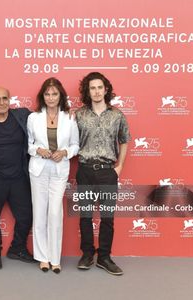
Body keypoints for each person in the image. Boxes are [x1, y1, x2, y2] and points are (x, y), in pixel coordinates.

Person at [75, 72, 131, 275]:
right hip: (85, 171)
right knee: (85, 215)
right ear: (87, 91)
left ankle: (105, 257)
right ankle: (87, 254)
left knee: (107, 217)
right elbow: (72, 142)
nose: (97, 91)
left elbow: (124, 140)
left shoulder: (117, 115)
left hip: (108, 172)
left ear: (106, 89)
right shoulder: (79, 115)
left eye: (100, 87)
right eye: (92, 88)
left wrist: (120, 167)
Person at [27, 78, 79, 273]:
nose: (51, 97)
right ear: (43, 96)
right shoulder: (33, 118)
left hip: (59, 170)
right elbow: (29, 145)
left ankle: (55, 258)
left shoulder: (70, 117)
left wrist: (65, 152)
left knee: (55, 213)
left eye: (54, 94)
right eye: (47, 94)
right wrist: (38, 150)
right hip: (38, 169)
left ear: (60, 96)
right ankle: (42, 257)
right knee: (39, 212)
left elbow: (75, 144)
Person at [0, 87, 35, 270]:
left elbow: (46, 117)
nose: (1, 102)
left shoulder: (22, 115)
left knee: (27, 216)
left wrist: (67, 116)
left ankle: (17, 248)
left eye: (5, 98)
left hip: (18, 177)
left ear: (10, 100)